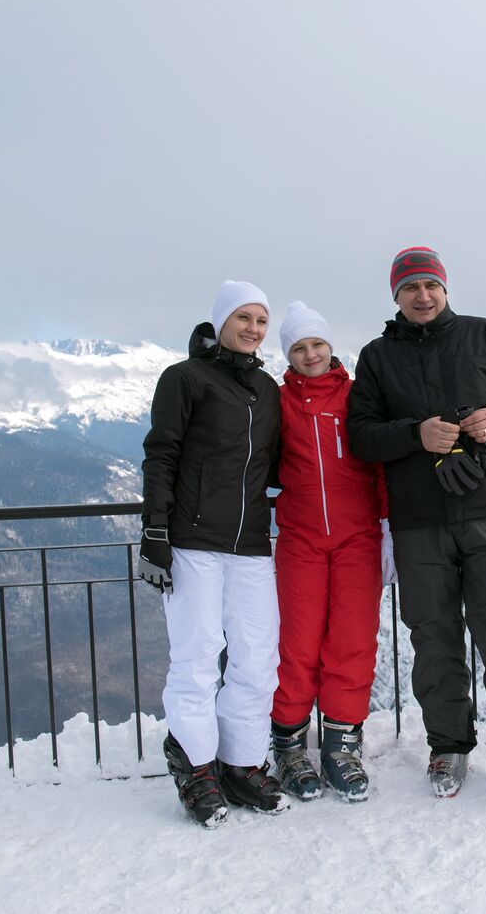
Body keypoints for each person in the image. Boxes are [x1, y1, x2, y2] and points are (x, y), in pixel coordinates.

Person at [345, 246, 486, 805]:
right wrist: (415, 434)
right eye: (410, 287)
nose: (422, 295)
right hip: (420, 519)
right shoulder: (377, 356)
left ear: (445, 288)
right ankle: (448, 746)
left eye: (430, 285)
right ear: (396, 295)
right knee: (434, 639)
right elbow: (360, 434)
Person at [139, 280, 290, 827]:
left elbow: (272, 464)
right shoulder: (184, 379)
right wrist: (155, 531)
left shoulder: (267, 389)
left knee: (256, 656)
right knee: (198, 656)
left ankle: (242, 763)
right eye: (243, 317)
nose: (253, 329)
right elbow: (162, 454)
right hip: (193, 540)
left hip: (251, 542)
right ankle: (196, 765)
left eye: (261, 321)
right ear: (221, 320)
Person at [268, 301, 392, 803]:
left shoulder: (358, 397)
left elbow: (381, 462)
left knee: (352, 641)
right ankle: (291, 746)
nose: (310, 354)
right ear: (289, 356)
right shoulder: (277, 402)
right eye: (299, 348)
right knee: (297, 643)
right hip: (299, 539)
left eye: (317, 343)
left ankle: (341, 744)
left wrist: (388, 527)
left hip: (357, 537)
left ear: (330, 346)